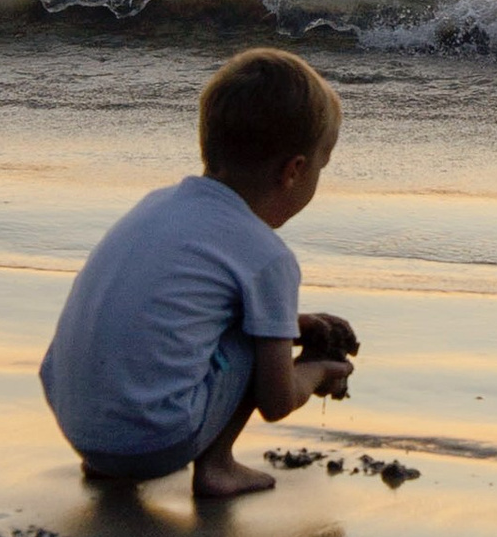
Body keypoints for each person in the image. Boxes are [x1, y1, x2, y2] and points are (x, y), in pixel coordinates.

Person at [38, 48, 359, 501]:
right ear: (295, 171)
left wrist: (293, 324)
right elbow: (276, 399)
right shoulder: (266, 255)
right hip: (155, 443)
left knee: (236, 323)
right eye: (321, 169)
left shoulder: (156, 207)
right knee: (251, 335)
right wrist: (318, 369)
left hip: (79, 428)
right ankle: (217, 466)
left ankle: (109, 454)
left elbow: (175, 315)